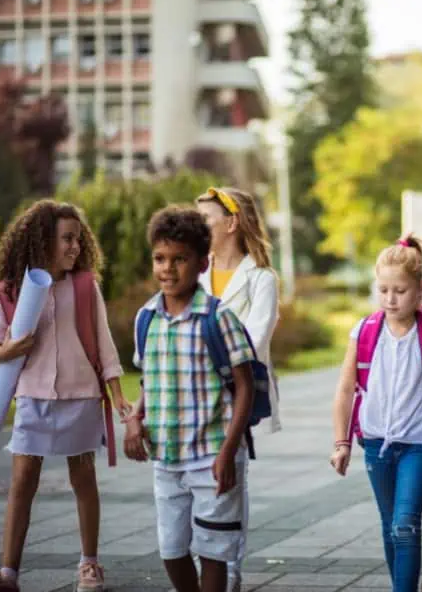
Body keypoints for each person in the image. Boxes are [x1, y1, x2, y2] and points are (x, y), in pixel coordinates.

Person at [0, 200, 128, 592]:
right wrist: (5, 352)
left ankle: (89, 564)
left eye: (78, 240)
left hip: (81, 395)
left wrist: (117, 398)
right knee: (22, 481)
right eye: (67, 239)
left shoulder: (84, 286)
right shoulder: (13, 289)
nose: (75, 248)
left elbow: (105, 344)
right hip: (33, 396)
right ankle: (9, 571)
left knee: (83, 478)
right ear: (42, 240)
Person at [330, 236, 422, 592]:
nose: (390, 299)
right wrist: (341, 443)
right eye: (383, 290)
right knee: (388, 524)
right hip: (376, 443)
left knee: (405, 525)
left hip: (418, 446)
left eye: (400, 290)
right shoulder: (364, 332)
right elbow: (346, 388)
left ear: (421, 290)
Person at [122, 206, 256, 592]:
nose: (167, 268)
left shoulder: (218, 318)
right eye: (160, 259)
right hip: (166, 459)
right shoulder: (146, 318)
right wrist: (134, 420)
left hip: (213, 455)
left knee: (214, 550)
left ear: (201, 263)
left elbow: (244, 386)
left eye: (179, 259)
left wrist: (229, 451)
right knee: (171, 549)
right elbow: (151, 380)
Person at [196, 186, 280, 592]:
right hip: (193, 397)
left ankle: (229, 567)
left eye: (205, 221)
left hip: (235, 393)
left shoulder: (261, 278)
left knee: (230, 479)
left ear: (231, 223)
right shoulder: (193, 273)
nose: (197, 229)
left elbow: (256, 338)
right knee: (199, 480)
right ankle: (208, 559)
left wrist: (207, 357)